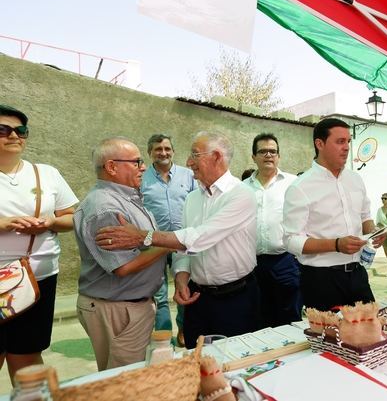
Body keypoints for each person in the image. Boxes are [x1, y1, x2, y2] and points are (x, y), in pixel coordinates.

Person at [95, 131, 260, 349]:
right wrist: (181, 278)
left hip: (236, 298)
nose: (189, 162)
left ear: (217, 156)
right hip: (198, 298)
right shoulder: (193, 198)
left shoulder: (241, 194)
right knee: (195, 359)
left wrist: (143, 236)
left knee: (236, 362)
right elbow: (184, 248)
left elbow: (199, 237)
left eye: (195, 155)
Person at [73, 137, 169, 371]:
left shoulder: (125, 198)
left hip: (126, 305)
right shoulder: (105, 207)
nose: (144, 167)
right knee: (122, 381)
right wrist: (168, 243)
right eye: (136, 162)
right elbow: (124, 267)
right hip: (118, 309)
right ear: (112, 167)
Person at [0, 105, 78, 384]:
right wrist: (4, 223)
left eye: (21, 131)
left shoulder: (46, 173)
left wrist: (50, 223)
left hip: (37, 279)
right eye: (3, 130)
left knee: (28, 354)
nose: (14, 136)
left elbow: (72, 217)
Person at [283, 118, 386, 312]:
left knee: (372, 332)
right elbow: (291, 241)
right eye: (340, 141)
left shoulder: (355, 180)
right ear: (319, 144)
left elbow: (365, 217)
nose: (347, 147)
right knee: (330, 339)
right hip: (321, 279)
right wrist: (336, 245)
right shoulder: (300, 187)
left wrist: (374, 232)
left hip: (357, 274)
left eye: (348, 141)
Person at [141, 134, 196, 347]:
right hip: (154, 243)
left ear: (173, 151)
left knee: (184, 289)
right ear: (150, 153)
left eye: (166, 148)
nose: (163, 153)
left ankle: (184, 329)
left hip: (183, 243)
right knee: (159, 293)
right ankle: (163, 337)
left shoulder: (188, 175)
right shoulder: (142, 178)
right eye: (158, 149)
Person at [243, 133, 301, 327]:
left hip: (286, 262)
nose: (268, 155)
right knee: (257, 317)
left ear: (278, 156)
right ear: (253, 157)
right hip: (252, 265)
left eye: (273, 151)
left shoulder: (293, 183)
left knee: (289, 318)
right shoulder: (242, 189)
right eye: (262, 151)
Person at [375, 193, 387, 258]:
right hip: (384, 234)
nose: (383, 200)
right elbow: (378, 222)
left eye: (385, 198)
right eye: (382, 198)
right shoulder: (379, 210)